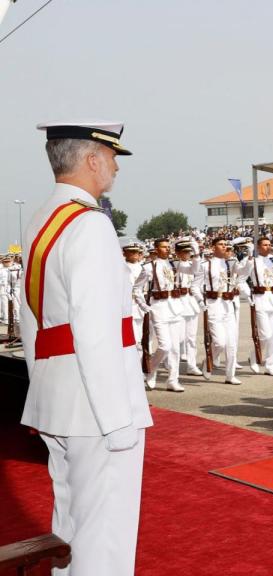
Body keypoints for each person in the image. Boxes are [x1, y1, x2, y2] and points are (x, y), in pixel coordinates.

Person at [23, 121, 152, 575]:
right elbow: (96, 331)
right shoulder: (90, 224)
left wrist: (42, 387)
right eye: (112, 156)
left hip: (60, 397)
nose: (116, 166)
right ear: (92, 158)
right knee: (104, 536)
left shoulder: (43, 218)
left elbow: (31, 319)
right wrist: (117, 420)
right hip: (98, 407)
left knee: (72, 527)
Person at [133, 238, 187, 392]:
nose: (167, 249)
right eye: (163, 247)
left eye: (168, 247)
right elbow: (137, 288)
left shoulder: (175, 264)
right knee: (164, 346)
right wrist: (145, 306)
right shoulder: (149, 267)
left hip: (175, 308)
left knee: (175, 348)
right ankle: (150, 369)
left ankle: (173, 380)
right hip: (159, 308)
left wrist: (194, 251)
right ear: (156, 249)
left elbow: (194, 269)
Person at [193, 236, 243, 384]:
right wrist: (201, 302)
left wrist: (249, 255)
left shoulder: (231, 264)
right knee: (220, 342)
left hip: (228, 304)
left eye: (225, 244)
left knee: (232, 342)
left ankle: (230, 375)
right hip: (213, 304)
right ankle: (209, 359)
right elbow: (194, 286)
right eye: (220, 244)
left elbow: (245, 271)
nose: (224, 246)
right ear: (213, 247)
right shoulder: (205, 265)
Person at [235, 236, 273, 376]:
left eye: (269, 244)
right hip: (260, 299)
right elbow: (241, 280)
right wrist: (248, 295)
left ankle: (270, 365)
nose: (268, 247)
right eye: (264, 245)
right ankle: (254, 356)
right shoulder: (251, 261)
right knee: (265, 335)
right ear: (257, 247)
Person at [173, 239, 204, 377]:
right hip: (177, 303)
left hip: (191, 303)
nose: (186, 254)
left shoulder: (192, 265)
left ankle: (192, 365)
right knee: (177, 338)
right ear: (177, 253)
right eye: (184, 252)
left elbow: (196, 271)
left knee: (191, 338)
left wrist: (196, 253)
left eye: (188, 252)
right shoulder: (174, 264)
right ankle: (171, 364)